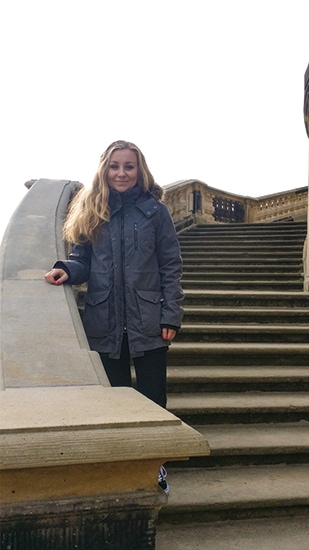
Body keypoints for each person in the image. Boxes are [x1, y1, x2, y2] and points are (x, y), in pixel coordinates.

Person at [44, 140, 184, 494]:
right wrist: (66, 271)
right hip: (104, 319)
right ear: (104, 170)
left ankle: (155, 467)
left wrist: (171, 314)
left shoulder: (156, 213)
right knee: (117, 399)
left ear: (140, 171)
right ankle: (124, 468)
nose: (121, 173)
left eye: (129, 166)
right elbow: (82, 261)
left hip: (149, 320)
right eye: (115, 166)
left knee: (154, 399)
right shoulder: (93, 211)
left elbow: (171, 267)